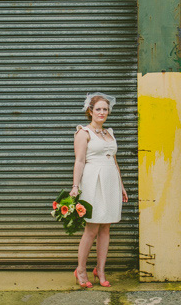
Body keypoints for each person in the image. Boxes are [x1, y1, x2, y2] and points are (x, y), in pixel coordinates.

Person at [70, 93, 128, 288]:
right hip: (93, 181)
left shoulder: (109, 132)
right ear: (90, 111)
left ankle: (100, 270)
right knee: (91, 229)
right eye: (98, 109)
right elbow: (79, 161)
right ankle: (80, 270)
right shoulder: (83, 133)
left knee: (106, 228)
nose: (102, 112)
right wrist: (75, 186)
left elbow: (113, 160)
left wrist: (121, 185)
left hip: (111, 181)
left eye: (105, 109)